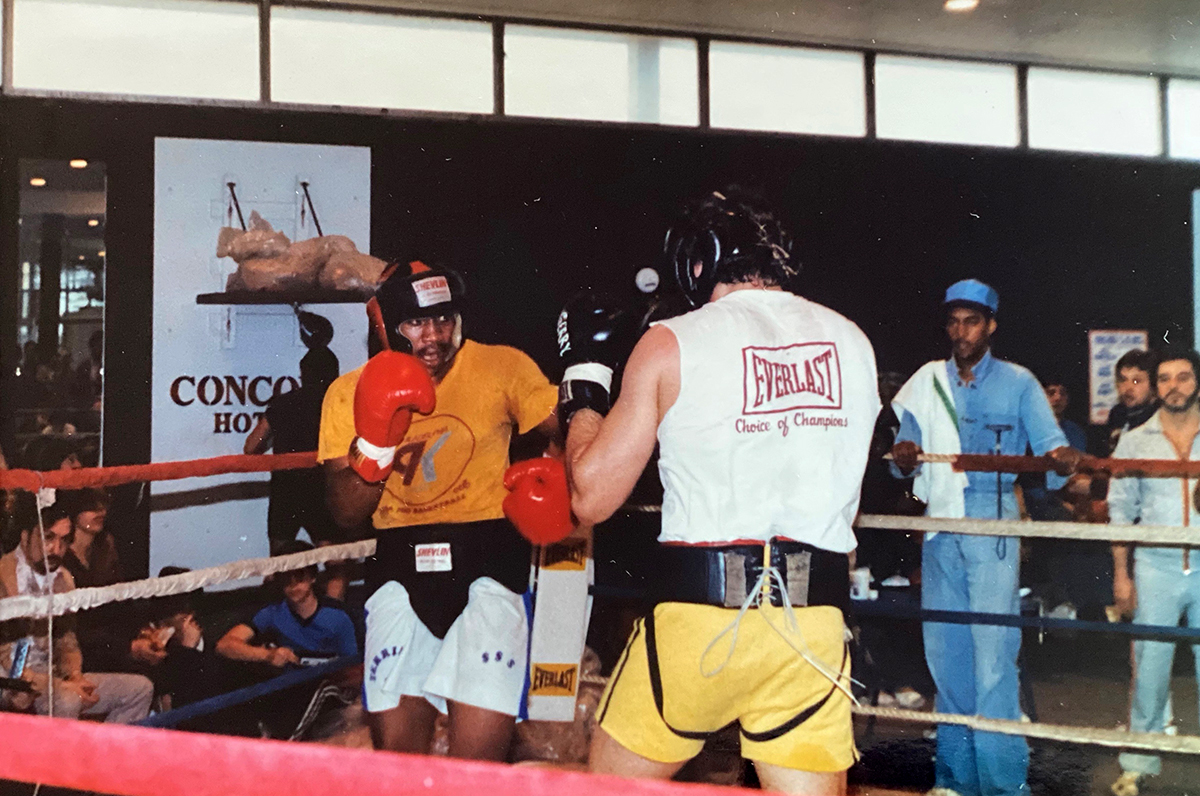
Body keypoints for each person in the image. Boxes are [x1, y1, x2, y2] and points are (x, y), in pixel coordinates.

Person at [558, 189, 879, 794]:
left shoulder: (674, 340)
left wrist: (583, 391)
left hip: (699, 622)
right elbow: (847, 508)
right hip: (811, 627)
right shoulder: (854, 343)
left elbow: (591, 497)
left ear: (697, 262)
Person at [318, 261, 558, 760]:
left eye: (445, 320)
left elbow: (568, 429)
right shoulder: (348, 391)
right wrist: (377, 444)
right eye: (417, 324)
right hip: (398, 571)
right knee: (399, 769)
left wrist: (569, 464)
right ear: (387, 328)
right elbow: (344, 514)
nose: (435, 337)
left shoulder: (503, 367)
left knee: (477, 769)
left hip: (489, 565)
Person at [890, 279, 1080, 796]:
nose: (960, 331)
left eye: (971, 321)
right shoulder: (926, 383)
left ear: (991, 325)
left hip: (992, 521)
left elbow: (1053, 449)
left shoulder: (1019, 383)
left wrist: (1063, 459)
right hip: (940, 526)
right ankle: (953, 780)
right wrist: (905, 455)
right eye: (953, 321)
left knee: (993, 657)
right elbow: (902, 459)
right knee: (945, 653)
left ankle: (1001, 787)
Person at [1106, 349, 1200, 796]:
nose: (1174, 386)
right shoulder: (1135, 440)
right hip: (1156, 567)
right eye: (1165, 379)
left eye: (1183, 377)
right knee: (1149, 669)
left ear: (1197, 382)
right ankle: (1138, 762)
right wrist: (1122, 575)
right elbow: (1120, 512)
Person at [0, 493, 153, 723]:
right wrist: (63, 685)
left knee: (139, 689)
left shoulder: (63, 578)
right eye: (48, 538)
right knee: (69, 699)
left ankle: (101, 757)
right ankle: (56, 760)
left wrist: (75, 675)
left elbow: (67, 640)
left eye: (63, 540)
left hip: (54, 679)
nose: (56, 548)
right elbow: (9, 658)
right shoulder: (4, 576)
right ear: (25, 537)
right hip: (12, 679)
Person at [244, 326, 345, 590]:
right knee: (335, 563)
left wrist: (278, 434)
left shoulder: (282, 403)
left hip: (286, 490)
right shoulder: (340, 405)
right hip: (323, 489)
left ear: (302, 375)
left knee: (277, 563)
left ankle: (270, 620)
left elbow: (251, 447)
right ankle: (338, 620)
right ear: (335, 375)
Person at [1105, 349, 1160, 456]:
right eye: (1123, 380)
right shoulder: (1117, 413)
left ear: (1153, 386)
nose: (1127, 388)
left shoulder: (1161, 416)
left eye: (1136, 381)